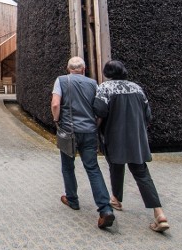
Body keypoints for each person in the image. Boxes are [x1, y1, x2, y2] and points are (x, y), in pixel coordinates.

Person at [94, 60, 170, 233]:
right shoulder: (137, 88)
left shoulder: (105, 88)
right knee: (142, 173)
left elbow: (99, 110)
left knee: (115, 165)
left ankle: (116, 199)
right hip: (136, 138)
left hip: (114, 136)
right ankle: (159, 214)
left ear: (107, 72)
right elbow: (147, 114)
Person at [51, 56, 116, 229]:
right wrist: (95, 125)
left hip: (68, 131)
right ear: (84, 69)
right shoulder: (93, 83)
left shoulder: (61, 80)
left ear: (68, 68)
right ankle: (105, 208)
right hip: (88, 131)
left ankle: (72, 199)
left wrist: (56, 121)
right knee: (93, 169)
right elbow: (99, 108)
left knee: (67, 166)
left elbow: (56, 104)